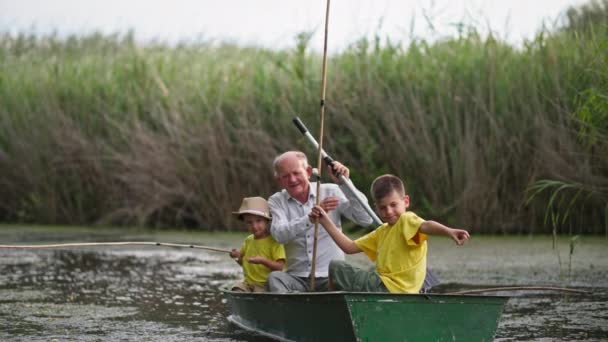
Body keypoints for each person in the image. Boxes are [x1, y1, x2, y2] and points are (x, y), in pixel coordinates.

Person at [309, 174, 470, 293]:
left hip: (392, 288)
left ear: (405, 201)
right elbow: (349, 247)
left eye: (394, 205)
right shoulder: (382, 232)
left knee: (336, 267)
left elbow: (426, 226)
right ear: (376, 208)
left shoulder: (406, 220)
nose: (389, 211)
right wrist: (325, 220)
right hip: (385, 285)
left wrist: (449, 231)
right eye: (383, 207)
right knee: (351, 269)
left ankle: (330, 308)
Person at [267, 151, 374, 292]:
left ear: (308, 171)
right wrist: (310, 218)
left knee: (353, 280)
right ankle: (291, 309)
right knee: (275, 278)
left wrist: (345, 184)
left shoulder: (332, 191)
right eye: (286, 176)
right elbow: (279, 235)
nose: (292, 180)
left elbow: (366, 219)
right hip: (297, 279)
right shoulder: (276, 200)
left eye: (296, 173)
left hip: (330, 278)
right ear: (279, 179)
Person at [229, 196, 286, 292]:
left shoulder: (275, 241)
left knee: (258, 294)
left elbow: (280, 267)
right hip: (247, 283)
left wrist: (263, 261)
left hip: (265, 285)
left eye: (258, 221)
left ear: (267, 221)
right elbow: (243, 263)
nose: (254, 226)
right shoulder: (248, 240)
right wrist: (237, 257)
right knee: (236, 290)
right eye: (249, 222)